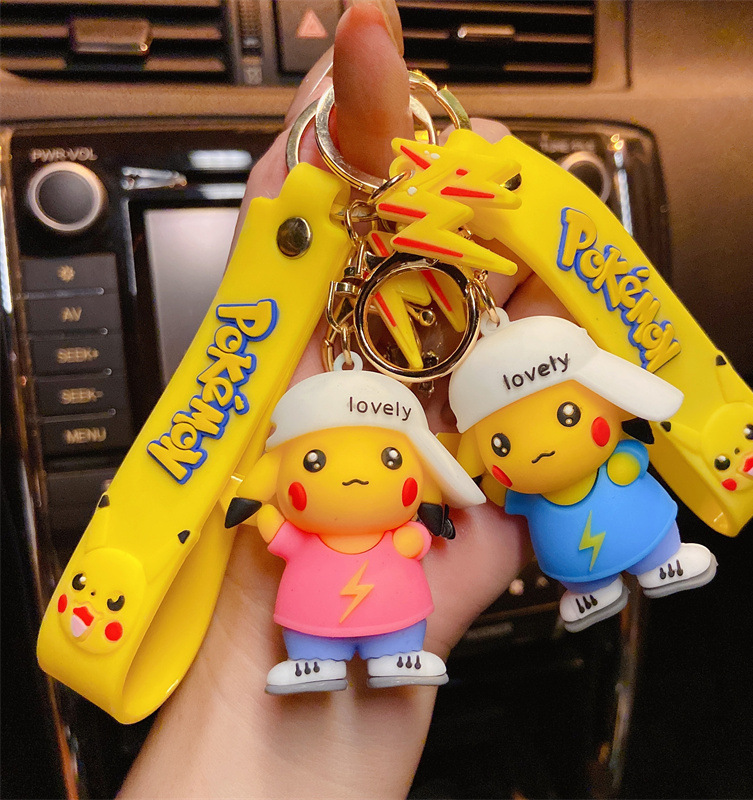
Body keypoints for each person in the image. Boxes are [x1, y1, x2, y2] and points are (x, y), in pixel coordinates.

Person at [119, 0, 554, 795]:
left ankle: (375, 657)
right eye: (315, 464)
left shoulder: (387, 513)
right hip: (305, 626)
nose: (352, 476)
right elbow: (273, 524)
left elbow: (389, 526)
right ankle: (317, 661)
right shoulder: (314, 518)